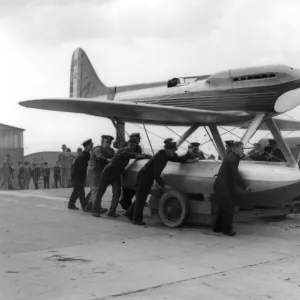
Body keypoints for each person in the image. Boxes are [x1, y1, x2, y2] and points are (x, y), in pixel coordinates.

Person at [125, 141, 180, 225]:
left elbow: (176, 158)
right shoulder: (161, 157)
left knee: (141, 197)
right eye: (173, 150)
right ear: (168, 150)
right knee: (141, 199)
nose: (174, 152)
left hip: (147, 176)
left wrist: (188, 158)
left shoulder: (165, 154)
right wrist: (164, 185)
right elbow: (156, 175)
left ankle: (129, 213)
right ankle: (137, 220)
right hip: (144, 176)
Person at [92, 137, 145, 217]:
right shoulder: (122, 151)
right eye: (131, 145)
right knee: (100, 192)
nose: (132, 147)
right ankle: (95, 211)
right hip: (107, 173)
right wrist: (132, 154)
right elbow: (115, 160)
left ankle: (111, 212)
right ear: (128, 144)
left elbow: (135, 156)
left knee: (117, 193)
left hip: (116, 174)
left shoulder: (131, 152)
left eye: (134, 146)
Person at [213, 141, 250, 236]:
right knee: (229, 208)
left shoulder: (232, 157)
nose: (243, 151)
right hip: (223, 186)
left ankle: (217, 227)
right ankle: (227, 229)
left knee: (223, 207)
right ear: (236, 148)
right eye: (241, 149)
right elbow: (235, 174)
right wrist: (244, 186)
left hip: (221, 186)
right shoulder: (232, 159)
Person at [119, 133, 152, 210]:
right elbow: (133, 155)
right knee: (126, 188)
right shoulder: (125, 146)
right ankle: (125, 203)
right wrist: (146, 156)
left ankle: (136, 203)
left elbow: (138, 155)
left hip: (132, 168)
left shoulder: (138, 147)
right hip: (125, 168)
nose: (139, 140)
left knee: (134, 187)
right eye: (138, 139)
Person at [84, 135, 115, 212]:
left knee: (96, 189)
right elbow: (101, 158)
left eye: (110, 142)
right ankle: (96, 208)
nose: (109, 143)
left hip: (99, 171)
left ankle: (89, 206)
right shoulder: (98, 149)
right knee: (95, 189)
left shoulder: (110, 150)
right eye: (107, 142)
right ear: (102, 142)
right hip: (93, 170)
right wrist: (113, 160)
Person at [68, 139, 93, 210]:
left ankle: (71, 204)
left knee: (76, 190)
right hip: (76, 175)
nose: (92, 146)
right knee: (81, 190)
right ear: (86, 146)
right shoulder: (82, 155)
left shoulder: (87, 154)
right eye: (90, 145)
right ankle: (84, 206)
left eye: (92, 145)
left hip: (80, 175)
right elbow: (83, 166)